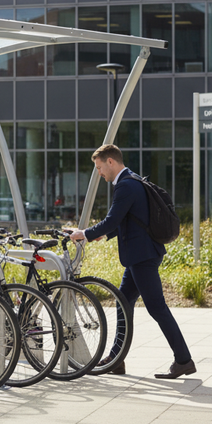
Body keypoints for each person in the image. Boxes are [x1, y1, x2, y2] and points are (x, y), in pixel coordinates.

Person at [69, 144, 196, 380]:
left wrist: (84, 234)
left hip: (142, 257)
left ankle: (183, 360)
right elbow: (131, 221)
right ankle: (117, 359)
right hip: (141, 255)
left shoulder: (125, 186)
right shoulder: (133, 180)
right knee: (123, 301)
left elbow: (112, 219)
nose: (99, 173)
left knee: (156, 307)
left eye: (99, 168)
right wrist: (103, 234)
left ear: (111, 161)